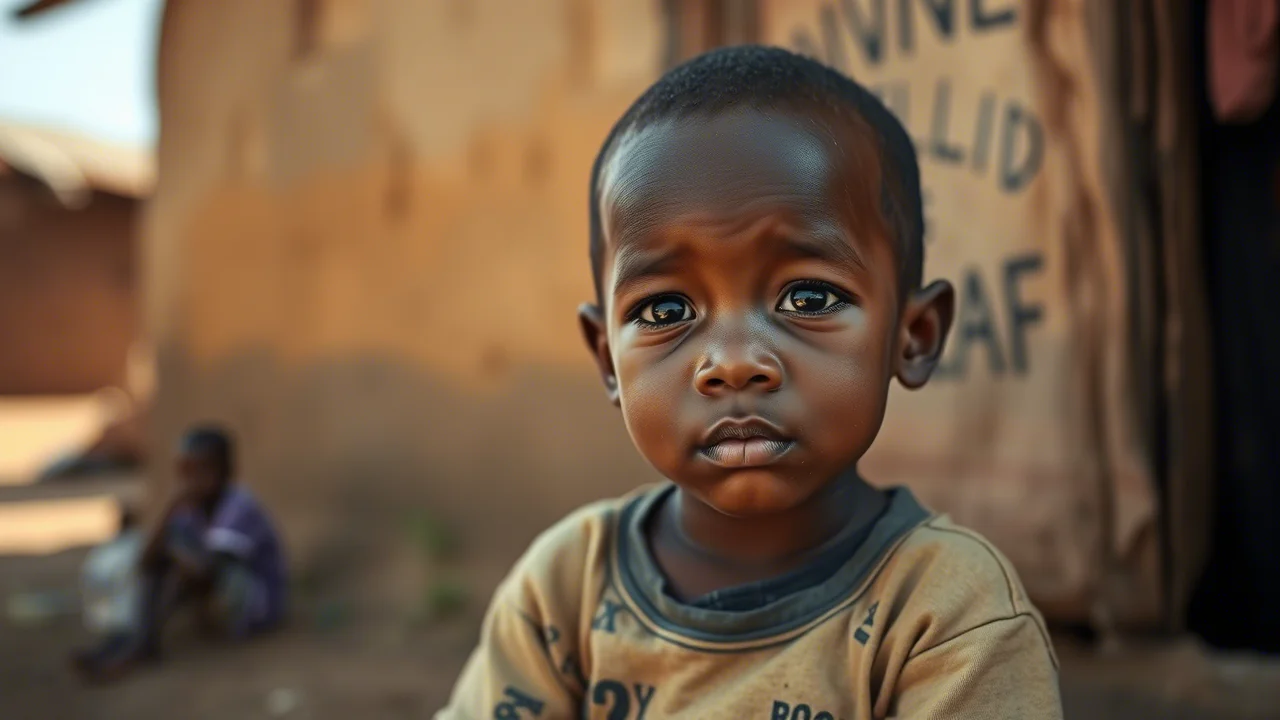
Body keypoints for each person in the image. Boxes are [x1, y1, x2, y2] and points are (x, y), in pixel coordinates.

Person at [437, 45, 1062, 718]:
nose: (733, 361)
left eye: (808, 298)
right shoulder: (565, 592)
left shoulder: (945, 614)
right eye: (667, 310)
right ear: (606, 359)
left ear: (913, 336)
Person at [73, 425, 287, 682]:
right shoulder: (190, 508)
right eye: (186, 471)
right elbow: (146, 562)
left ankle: (141, 644)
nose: (192, 480)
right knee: (166, 555)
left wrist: (174, 552)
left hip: (254, 606)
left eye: (202, 471)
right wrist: (170, 509)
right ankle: (132, 640)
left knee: (180, 558)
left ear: (228, 471)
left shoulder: (239, 508)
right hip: (215, 588)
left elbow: (208, 573)